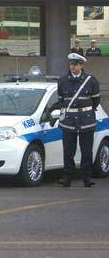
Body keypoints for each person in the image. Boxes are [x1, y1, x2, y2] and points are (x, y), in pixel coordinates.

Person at [57, 53, 100, 187]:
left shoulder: (91, 80)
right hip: (69, 121)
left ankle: (86, 178)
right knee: (68, 151)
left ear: (81, 65)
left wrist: (84, 111)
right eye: (71, 64)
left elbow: (96, 101)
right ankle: (67, 178)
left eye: (75, 64)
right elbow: (61, 101)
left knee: (86, 151)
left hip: (86, 121)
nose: (72, 67)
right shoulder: (62, 81)